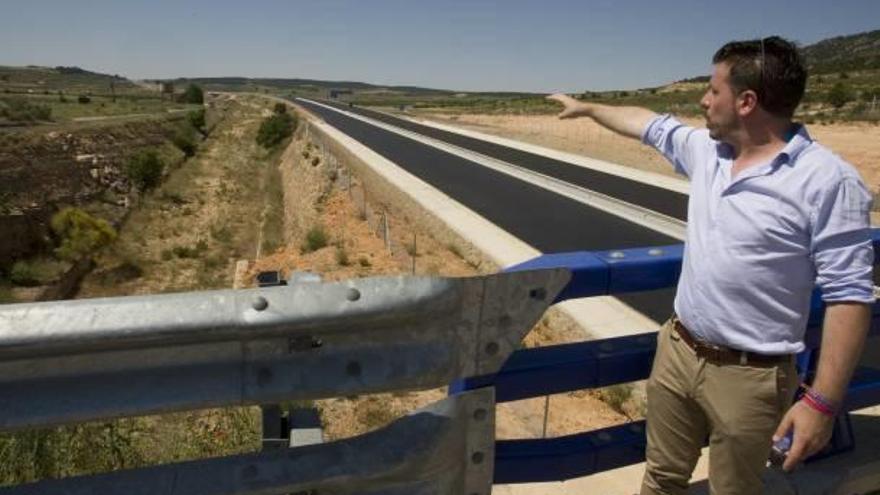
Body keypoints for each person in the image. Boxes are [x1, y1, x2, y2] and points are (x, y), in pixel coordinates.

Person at [548, 36, 875, 494]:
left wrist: (821, 403)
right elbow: (647, 123)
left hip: (752, 378)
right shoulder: (708, 151)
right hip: (679, 350)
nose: (703, 100)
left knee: (733, 490)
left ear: (745, 102)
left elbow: (850, 297)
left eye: (712, 89)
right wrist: (586, 108)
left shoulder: (827, 181)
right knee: (661, 478)